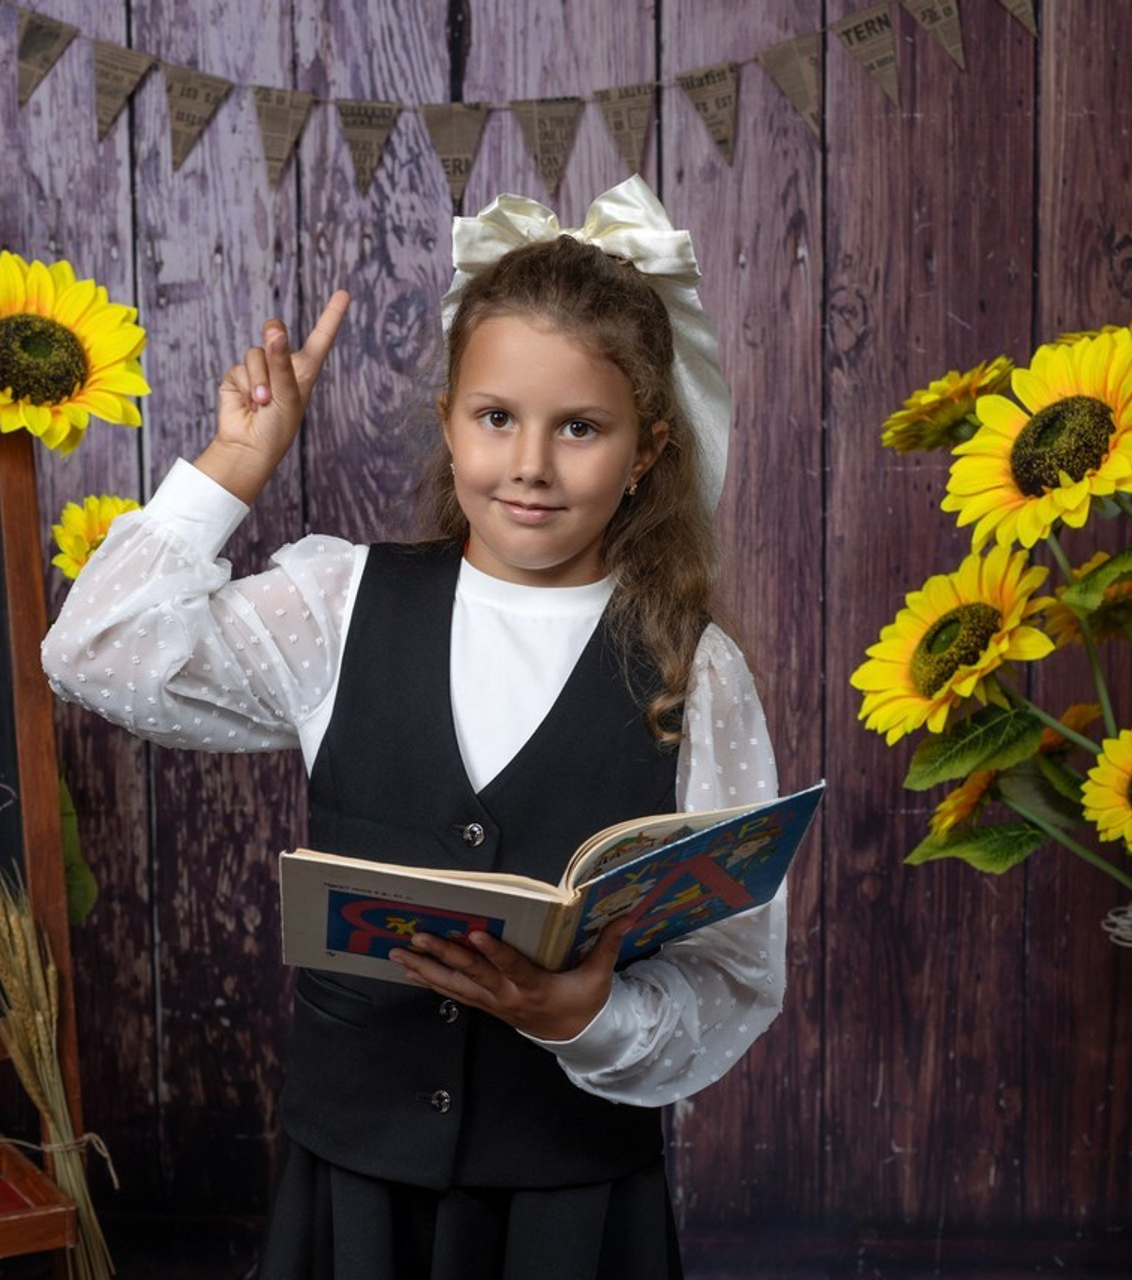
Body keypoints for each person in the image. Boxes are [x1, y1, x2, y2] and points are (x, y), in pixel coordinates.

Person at [41, 175, 787, 1280]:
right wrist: (237, 464)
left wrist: (586, 1015)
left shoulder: (692, 666)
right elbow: (93, 650)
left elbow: (732, 972)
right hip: (355, 1190)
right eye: (496, 417)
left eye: (578, 427)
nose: (528, 463)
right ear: (447, 422)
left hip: (569, 1205)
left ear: (645, 451)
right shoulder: (340, 603)